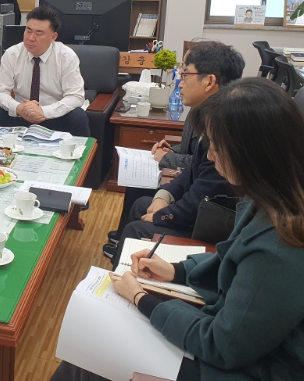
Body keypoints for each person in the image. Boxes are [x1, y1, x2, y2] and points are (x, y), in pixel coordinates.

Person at [52, 78, 304, 381]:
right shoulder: (271, 199)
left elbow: (221, 346)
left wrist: (141, 299)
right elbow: (233, 261)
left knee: (90, 359)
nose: (210, 155)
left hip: (264, 368)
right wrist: (176, 270)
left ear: (252, 152)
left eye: (217, 145)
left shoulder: (288, 244)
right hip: (251, 350)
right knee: (85, 355)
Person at [104, 42, 245, 262]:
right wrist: (164, 197)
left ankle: (124, 273)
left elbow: (200, 199)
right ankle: (121, 257)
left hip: (210, 225)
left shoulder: (226, 130)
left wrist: (162, 216)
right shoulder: (208, 115)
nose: (180, 80)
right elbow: (192, 173)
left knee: (137, 229)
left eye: (185, 73)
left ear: (209, 81)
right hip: (199, 211)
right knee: (141, 204)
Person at [0, 5, 90, 137]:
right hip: (22, 115)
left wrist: (44, 111)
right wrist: (19, 108)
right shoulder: (12, 54)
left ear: (53, 37)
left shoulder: (66, 57)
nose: (30, 38)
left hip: (54, 116)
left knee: (78, 116)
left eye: (38, 33)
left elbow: (76, 97)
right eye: (28, 31)